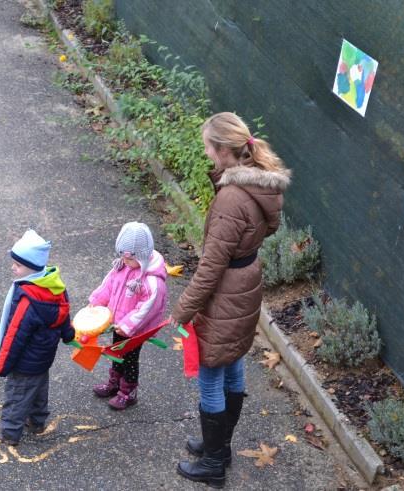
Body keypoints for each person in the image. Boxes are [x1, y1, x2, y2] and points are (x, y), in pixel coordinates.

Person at [170, 112, 290, 488]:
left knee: (210, 371)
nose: (206, 153)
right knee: (233, 358)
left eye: (208, 147)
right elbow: (268, 228)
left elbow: (210, 269)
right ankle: (217, 443)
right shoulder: (260, 185)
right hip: (246, 284)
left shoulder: (231, 199)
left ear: (223, 151)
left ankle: (215, 461)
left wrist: (182, 309)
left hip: (225, 292)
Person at [0, 230, 74, 445]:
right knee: (38, 389)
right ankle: (37, 422)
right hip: (43, 357)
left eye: (17, 265)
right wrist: (68, 335)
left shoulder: (29, 300)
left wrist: (1, 365)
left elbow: (15, 335)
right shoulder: (54, 287)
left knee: (17, 394)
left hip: (25, 361)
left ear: (31, 268)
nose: (12, 268)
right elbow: (64, 313)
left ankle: (9, 430)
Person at [89, 222, 168, 410]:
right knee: (117, 354)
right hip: (118, 324)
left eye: (129, 259)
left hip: (134, 330)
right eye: (122, 257)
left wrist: (127, 325)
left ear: (142, 257)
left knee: (130, 360)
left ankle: (128, 392)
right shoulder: (122, 267)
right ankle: (114, 383)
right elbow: (109, 286)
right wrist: (97, 301)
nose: (125, 262)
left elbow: (147, 308)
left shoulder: (150, 281)